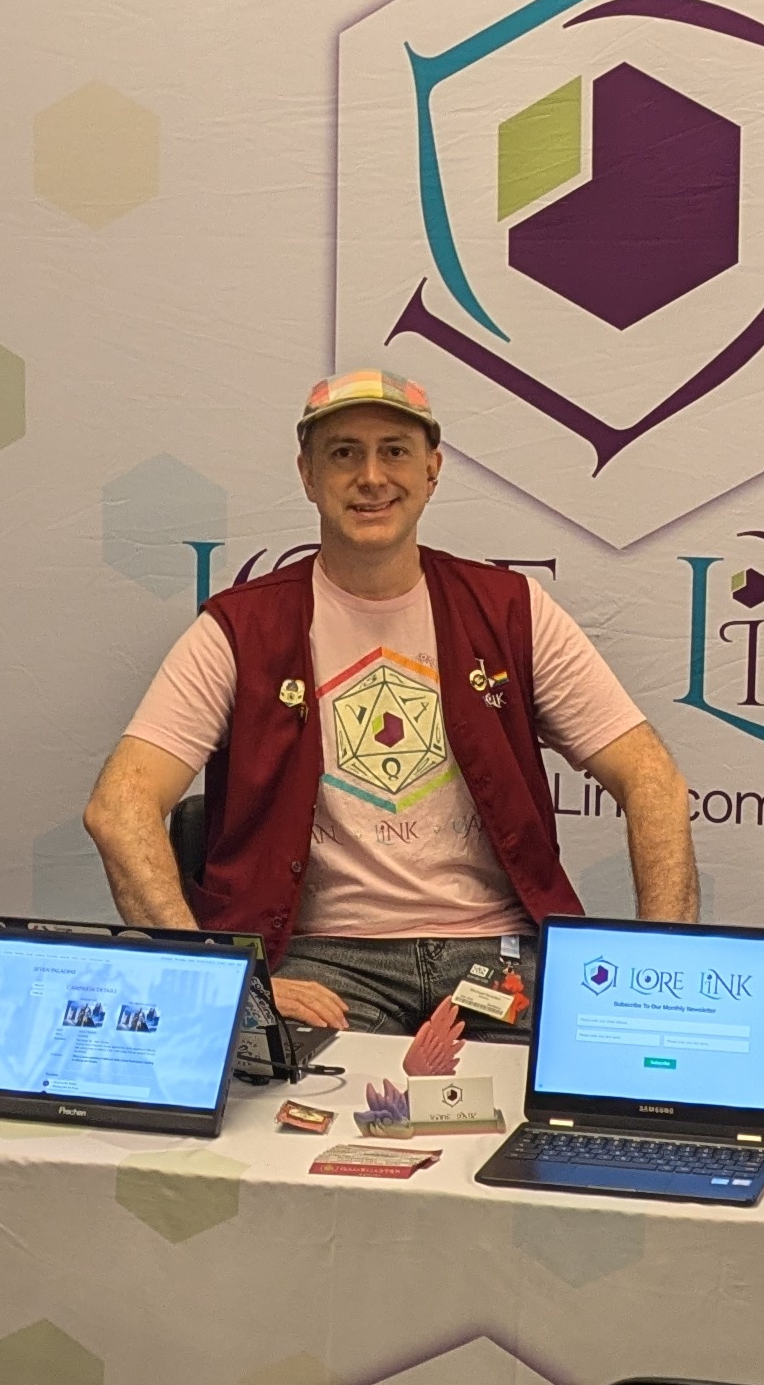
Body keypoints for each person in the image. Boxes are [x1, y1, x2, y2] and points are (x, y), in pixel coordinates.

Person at [83, 367, 698, 1040]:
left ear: (432, 470)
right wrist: (220, 979)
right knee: (270, 1092)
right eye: (344, 452)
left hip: (498, 960)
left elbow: (652, 778)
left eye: (395, 451)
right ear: (307, 475)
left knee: (601, 1090)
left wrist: (654, 974)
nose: (371, 476)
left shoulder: (513, 613)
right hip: (317, 963)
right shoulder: (238, 629)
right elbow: (119, 808)